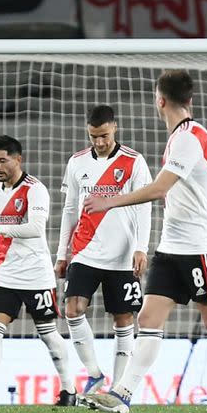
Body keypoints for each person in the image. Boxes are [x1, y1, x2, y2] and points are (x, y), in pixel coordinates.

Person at [83, 70, 207, 413]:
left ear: (159, 100)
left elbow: (160, 188)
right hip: (171, 246)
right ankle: (122, 394)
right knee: (148, 318)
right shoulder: (179, 137)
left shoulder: (191, 136)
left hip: (200, 247)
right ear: (188, 99)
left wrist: (110, 201)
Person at [0, 135, 77, 407]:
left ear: (18, 159)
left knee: (48, 333)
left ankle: (69, 389)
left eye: (2, 159)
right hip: (5, 273)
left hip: (36, 273)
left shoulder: (35, 190)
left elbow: (35, 229)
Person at [55, 105, 152, 395]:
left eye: (104, 136)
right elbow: (70, 209)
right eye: (94, 136)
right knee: (72, 309)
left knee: (123, 318)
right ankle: (94, 373)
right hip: (85, 249)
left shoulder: (134, 161)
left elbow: (145, 206)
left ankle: (119, 389)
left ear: (115, 128)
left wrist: (141, 247)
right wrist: (62, 253)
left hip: (123, 254)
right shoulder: (77, 162)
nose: (99, 142)